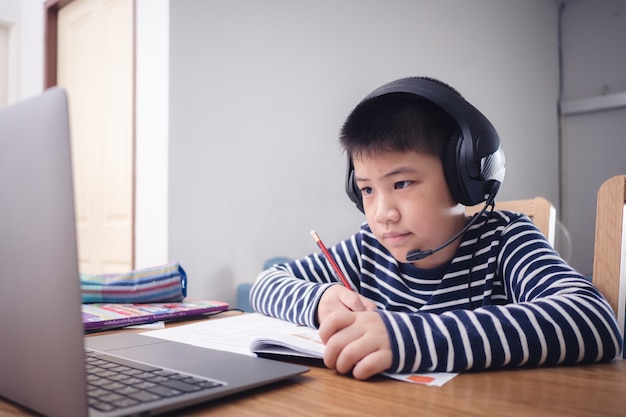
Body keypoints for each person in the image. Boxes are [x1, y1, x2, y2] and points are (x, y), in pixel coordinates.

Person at [249, 76, 623, 380]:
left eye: (401, 184)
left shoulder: (506, 240)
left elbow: (593, 319)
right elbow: (267, 283)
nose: (382, 214)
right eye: (366, 189)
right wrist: (322, 300)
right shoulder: (368, 249)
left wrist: (408, 340)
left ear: (464, 175)